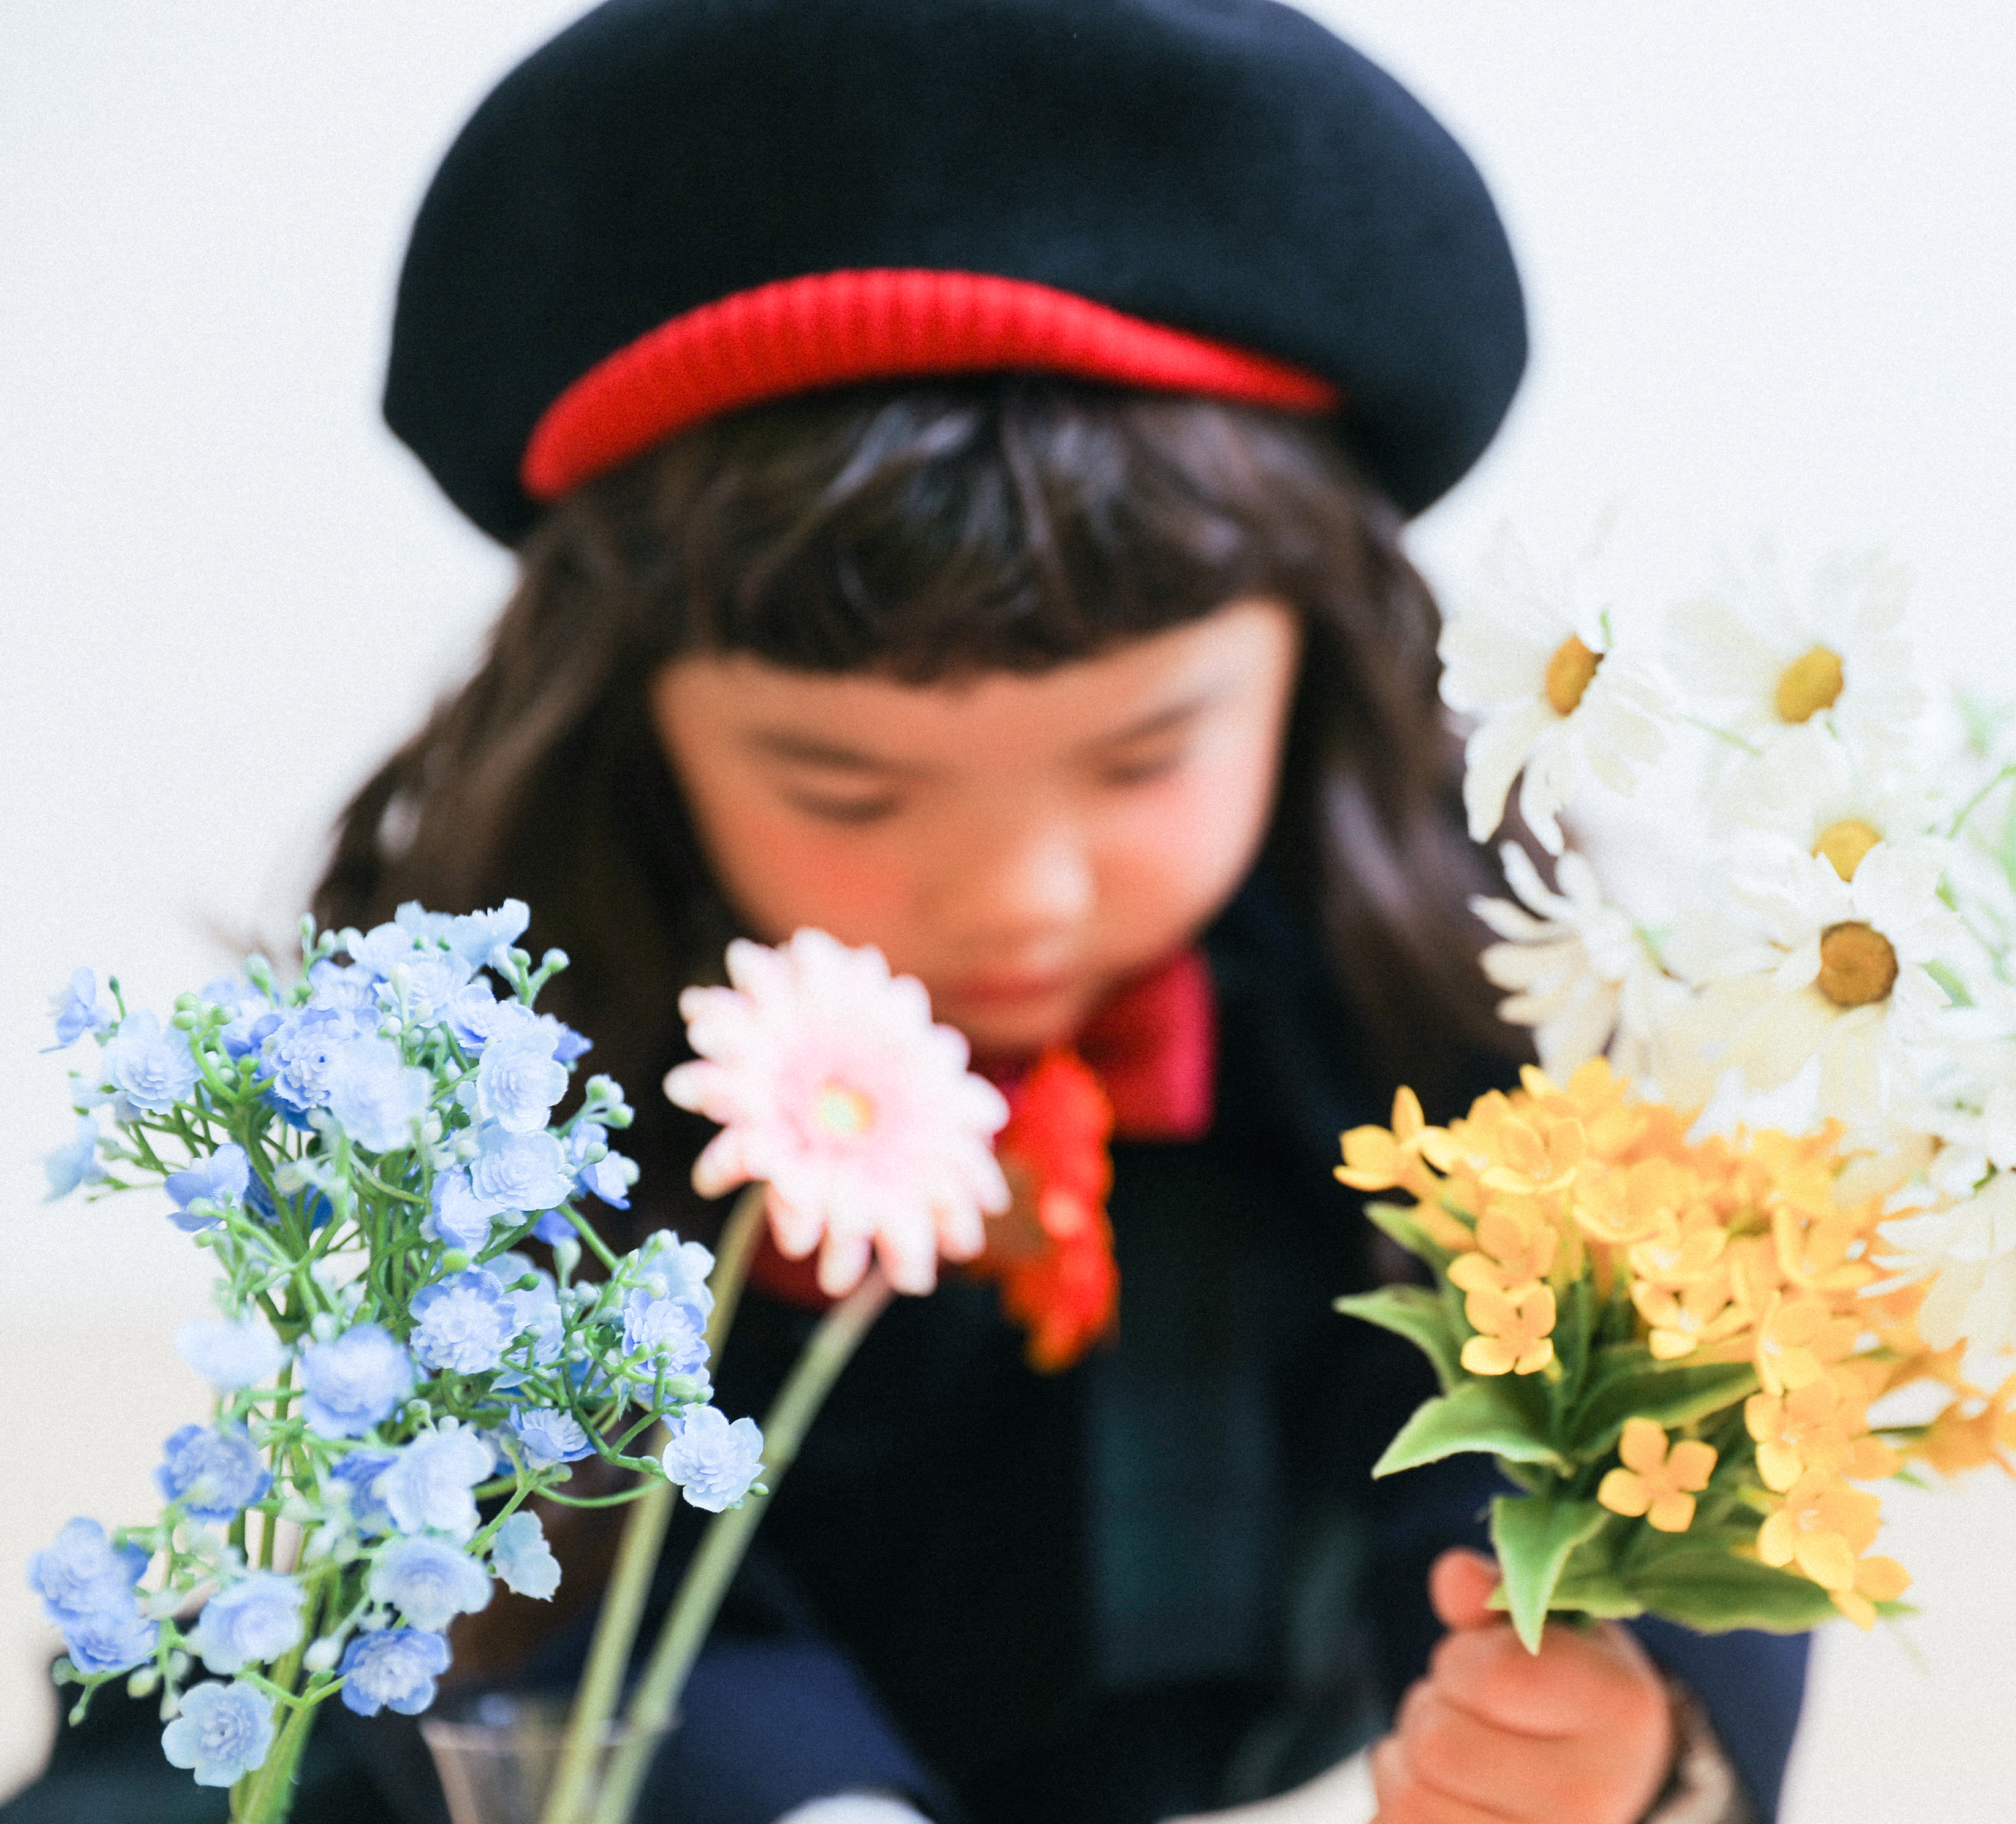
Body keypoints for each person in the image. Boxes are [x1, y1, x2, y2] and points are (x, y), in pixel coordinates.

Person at [3, 3, 1809, 1821]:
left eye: (1141, 759)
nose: (1018, 893)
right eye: (845, 790)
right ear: (636, 725)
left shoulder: (1422, 990)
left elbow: (1603, 1417)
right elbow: (544, 1572)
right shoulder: (516, 1079)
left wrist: (1626, 1716)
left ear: (1321, 670)